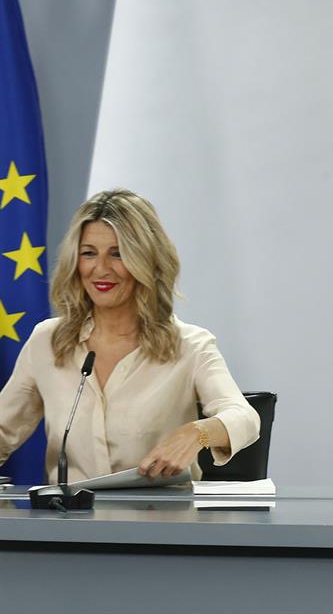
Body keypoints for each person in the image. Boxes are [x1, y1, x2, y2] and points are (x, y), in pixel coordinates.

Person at [0, 189, 260, 483]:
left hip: (161, 523)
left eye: (118, 253)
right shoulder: (47, 341)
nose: (100, 269)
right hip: (69, 522)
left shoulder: (191, 346)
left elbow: (245, 418)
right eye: (88, 254)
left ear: (146, 259)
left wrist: (196, 433)